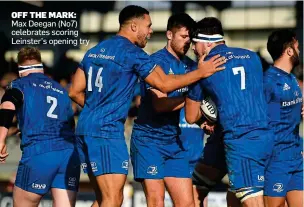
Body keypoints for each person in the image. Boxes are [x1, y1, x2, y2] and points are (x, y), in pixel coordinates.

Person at [68, 5, 226, 207]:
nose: (151, 31)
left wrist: (97, 109)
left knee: (105, 199)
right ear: (134, 26)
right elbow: (164, 86)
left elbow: (74, 91)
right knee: (114, 199)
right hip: (120, 135)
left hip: (89, 128)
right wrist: (201, 73)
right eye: (148, 26)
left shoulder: (95, 50)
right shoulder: (134, 54)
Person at [185, 17, 273, 207]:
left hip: (241, 140)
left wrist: (206, 114)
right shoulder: (252, 57)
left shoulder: (203, 67)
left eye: (194, 43)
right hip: (256, 135)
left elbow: (190, 116)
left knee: (252, 200)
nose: (193, 48)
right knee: (195, 188)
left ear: (205, 43)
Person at [130, 13, 203, 207]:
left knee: (188, 203)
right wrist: (191, 99)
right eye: (183, 37)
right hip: (148, 141)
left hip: (173, 142)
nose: (187, 42)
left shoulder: (191, 67)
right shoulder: (155, 63)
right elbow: (160, 104)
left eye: (190, 39)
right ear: (170, 35)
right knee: (157, 201)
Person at [0, 46, 80, 207]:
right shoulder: (61, 90)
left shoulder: (20, 84)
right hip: (68, 155)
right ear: (41, 67)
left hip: (39, 152)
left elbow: (7, 106)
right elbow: (70, 124)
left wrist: (0, 139)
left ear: (20, 69)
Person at [263, 29, 303, 207]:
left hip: (296, 155)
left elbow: (286, 111)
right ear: (289, 51)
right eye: (297, 46)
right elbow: (262, 120)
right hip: (275, 160)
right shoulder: (268, 82)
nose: (299, 51)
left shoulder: (292, 79)